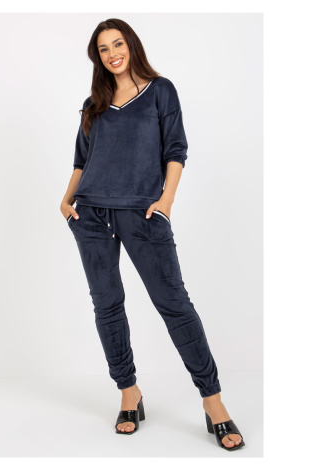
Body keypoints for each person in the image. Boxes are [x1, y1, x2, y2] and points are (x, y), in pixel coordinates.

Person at [60, 18, 245, 451]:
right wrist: (66, 202)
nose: (112, 54)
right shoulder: (93, 104)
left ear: (131, 45)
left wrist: (166, 201)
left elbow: (176, 149)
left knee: (174, 305)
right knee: (107, 306)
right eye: (103, 49)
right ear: (97, 57)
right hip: (91, 215)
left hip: (143, 214)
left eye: (117, 44)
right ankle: (129, 392)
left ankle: (213, 401)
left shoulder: (161, 91)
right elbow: (82, 161)